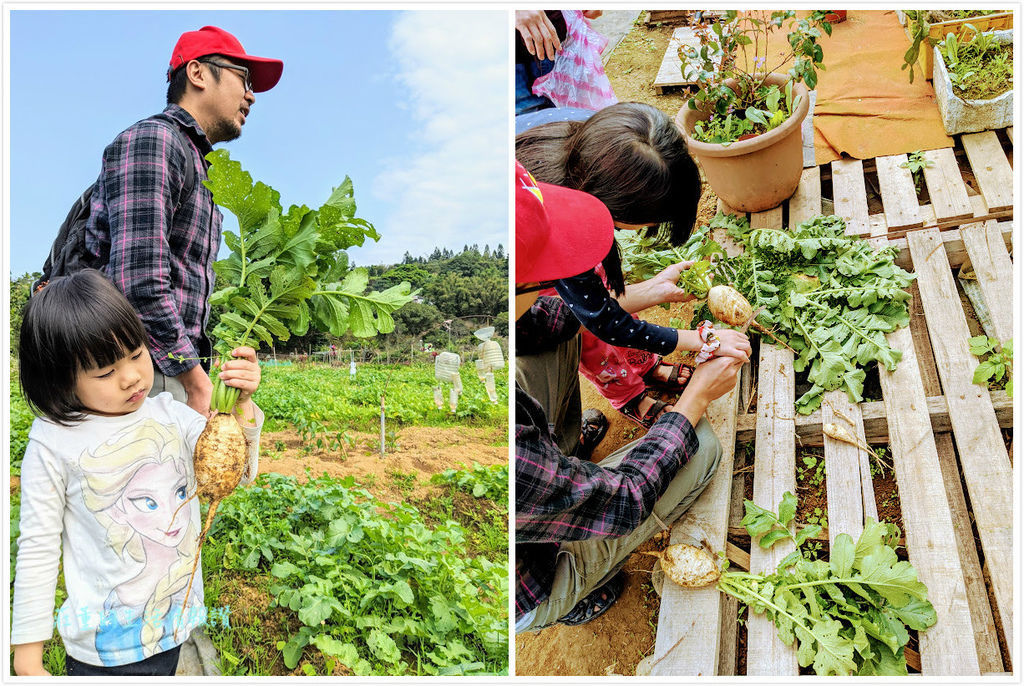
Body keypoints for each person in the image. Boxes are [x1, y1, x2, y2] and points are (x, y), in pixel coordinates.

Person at [514, 161, 744, 630]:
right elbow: (623, 501)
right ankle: (559, 599)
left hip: (528, 486)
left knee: (554, 337)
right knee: (700, 448)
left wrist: (645, 292)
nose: (562, 279)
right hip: (524, 576)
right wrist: (696, 395)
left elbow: (557, 318)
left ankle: (560, 461)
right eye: (547, 273)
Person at [11, 269, 264, 676]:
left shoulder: (171, 415)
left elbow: (235, 474)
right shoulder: (54, 442)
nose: (131, 377)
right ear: (61, 380)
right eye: (105, 372)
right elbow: (38, 547)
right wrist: (27, 654)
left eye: (135, 355)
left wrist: (241, 406)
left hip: (175, 626)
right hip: (103, 649)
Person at [82, 26, 282, 417]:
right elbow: (138, 280)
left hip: (167, 371)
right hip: (134, 374)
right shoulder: (155, 140)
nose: (251, 95)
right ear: (198, 73)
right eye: (244, 78)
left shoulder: (198, 164)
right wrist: (195, 380)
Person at [516, 102, 751, 431]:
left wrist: (653, 291)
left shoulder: (595, 147)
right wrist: (702, 340)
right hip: (532, 295)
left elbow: (602, 303)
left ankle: (644, 364)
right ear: (613, 206)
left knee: (603, 300)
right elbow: (603, 322)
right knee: (592, 343)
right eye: (647, 221)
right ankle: (628, 395)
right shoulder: (563, 239)